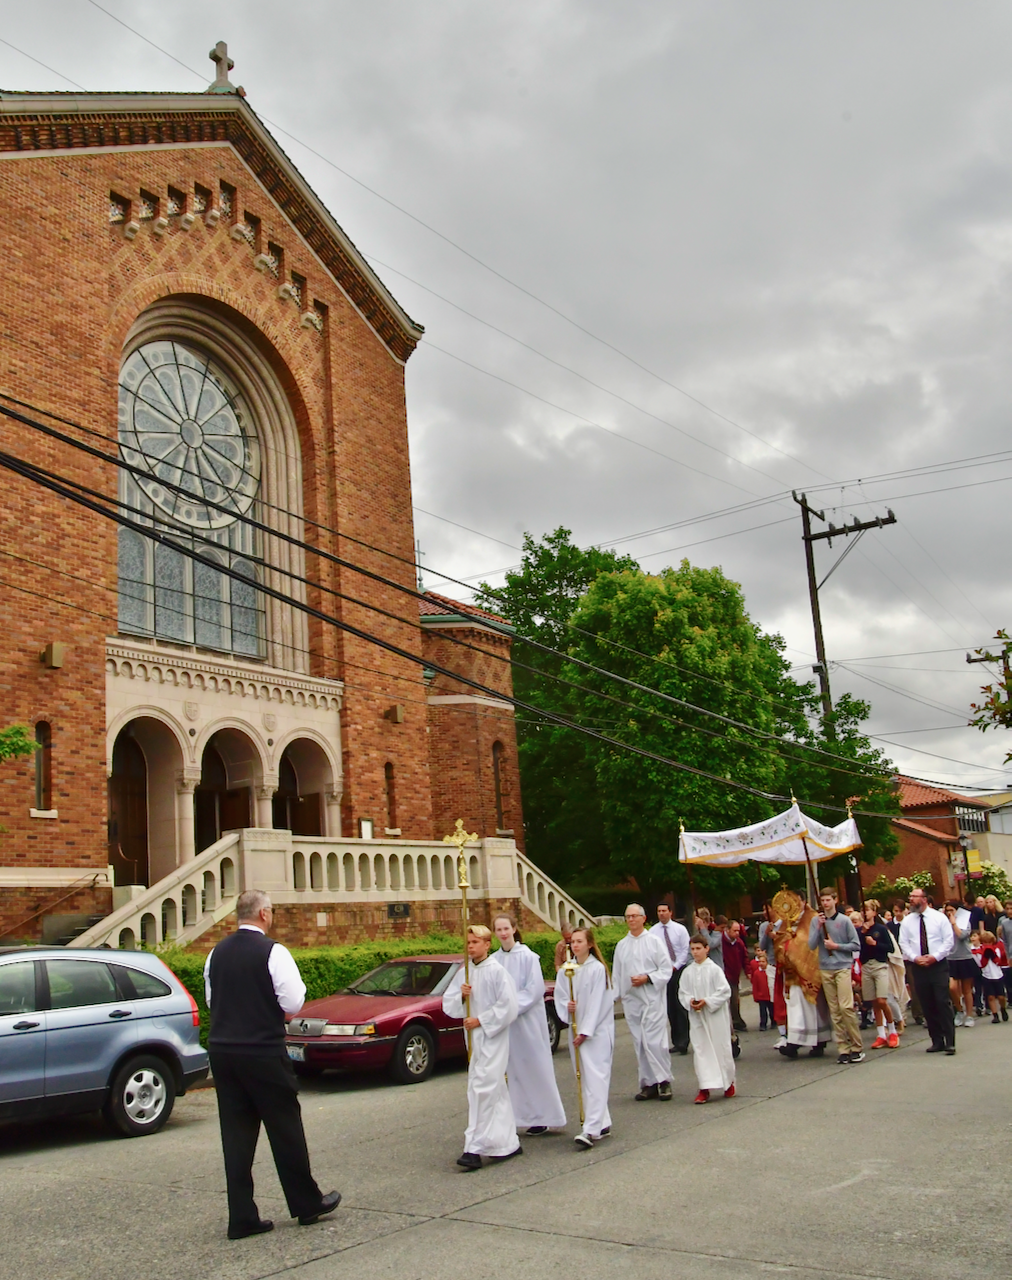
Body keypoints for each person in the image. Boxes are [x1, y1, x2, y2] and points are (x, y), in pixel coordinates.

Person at [203, 889, 340, 1240]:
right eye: (272, 911)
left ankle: (242, 1216)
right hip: (261, 1050)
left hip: (223, 1051)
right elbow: (293, 1001)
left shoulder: (215, 953)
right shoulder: (273, 951)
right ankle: (306, 1203)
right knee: (284, 1127)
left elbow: (211, 1000)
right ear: (264, 914)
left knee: (236, 1135)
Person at [442, 924, 520, 1170]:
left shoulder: (497, 971)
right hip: (474, 1039)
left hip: (492, 1038)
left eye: (475, 942)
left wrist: (482, 1020)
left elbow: (509, 1006)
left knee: (483, 1087)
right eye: (468, 943)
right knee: (492, 1089)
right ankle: (506, 1143)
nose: (470, 946)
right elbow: (449, 1004)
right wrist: (462, 997)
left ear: (487, 944)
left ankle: (473, 1148)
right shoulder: (466, 973)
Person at [492, 914, 566, 1136]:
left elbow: (534, 990)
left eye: (506, 928)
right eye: (499, 929)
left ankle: (545, 1115)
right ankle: (520, 1116)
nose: (503, 933)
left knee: (535, 1066)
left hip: (527, 1020)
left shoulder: (528, 957)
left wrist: (511, 1008)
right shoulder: (494, 960)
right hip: (508, 1022)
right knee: (514, 1069)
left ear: (514, 929)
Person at [555, 925, 615, 1148]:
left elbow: (598, 1003)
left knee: (596, 1078)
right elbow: (561, 996)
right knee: (585, 1078)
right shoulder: (566, 970)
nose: (575, 945)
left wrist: (585, 1031)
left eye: (580, 941)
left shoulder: (597, 969)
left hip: (595, 1032)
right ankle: (602, 1121)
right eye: (573, 942)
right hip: (576, 1029)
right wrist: (567, 1006)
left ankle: (591, 1130)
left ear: (589, 944)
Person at [612, 903, 673, 1100]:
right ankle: (648, 1082)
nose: (631, 920)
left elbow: (665, 969)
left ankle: (664, 1081)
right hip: (632, 1001)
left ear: (643, 918)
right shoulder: (622, 945)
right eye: (627, 916)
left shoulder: (654, 942)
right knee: (639, 1041)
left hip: (652, 998)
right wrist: (612, 997)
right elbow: (617, 975)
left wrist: (647, 978)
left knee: (655, 1041)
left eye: (634, 916)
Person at [773, 889, 831, 1059]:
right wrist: (779, 940)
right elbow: (780, 941)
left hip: (809, 971)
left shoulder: (812, 918)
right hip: (791, 973)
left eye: (797, 901)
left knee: (813, 1008)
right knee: (795, 1007)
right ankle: (794, 1041)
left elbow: (809, 944)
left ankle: (819, 1041)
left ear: (804, 901)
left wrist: (793, 946)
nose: (794, 905)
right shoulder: (786, 921)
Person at [809, 889, 864, 1064]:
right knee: (834, 1010)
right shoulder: (816, 921)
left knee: (845, 1007)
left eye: (828, 900)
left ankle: (856, 1045)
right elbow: (811, 945)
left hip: (842, 966)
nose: (825, 903)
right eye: (823, 900)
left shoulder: (844, 921)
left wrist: (836, 946)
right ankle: (843, 1047)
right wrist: (818, 927)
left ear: (835, 900)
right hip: (826, 967)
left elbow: (855, 945)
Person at [680, 933, 736, 1104]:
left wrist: (708, 1001)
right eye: (692, 949)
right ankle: (704, 1087)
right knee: (701, 1050)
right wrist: (691, 1001)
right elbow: (683, 992)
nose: (695, 952)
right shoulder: (688, 972)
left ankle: (728, 1083)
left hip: (715, 1016)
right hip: (697, 1018)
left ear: (706, 949)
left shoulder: (714, 970)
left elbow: (725, 991)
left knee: (720, 1047)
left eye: (698, 949)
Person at [899, 887, 955, 1054]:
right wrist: (915, 957)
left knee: (942, 1001)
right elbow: (904, 943)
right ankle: (936, 1040)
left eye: (914, 897)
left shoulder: (939, 918)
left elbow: (948, 941)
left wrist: (935, 956)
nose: (911, 900)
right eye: (910, 897)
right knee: (927, 1003)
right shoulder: (907, 921)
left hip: (937, 965)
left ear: (924, 899)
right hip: (918, 965)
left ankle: (950, 1040)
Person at [650, 903, 690, 1055]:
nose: (661, 914)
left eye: (664, 911)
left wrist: (676, 966)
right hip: (663, 972)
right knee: (670, 1007)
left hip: (678, 970)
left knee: (680, 1005)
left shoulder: (680, 930)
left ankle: (684, 1040)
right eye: (659, 911)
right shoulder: (653, 932)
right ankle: (676, 1040)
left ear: (670, 912)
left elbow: (684, 950)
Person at [859, 900, 898, 1049]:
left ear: (874, 912)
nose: (865, 913)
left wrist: (875, 944)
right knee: (874, 1001)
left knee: (882, 1000)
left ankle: (892, 1030)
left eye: (868, 910)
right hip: (866, 966)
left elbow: (890, 948)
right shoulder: (860, 930)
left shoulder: (881, 929)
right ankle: (881, 1033)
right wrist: (862, 934)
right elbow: (858, 948)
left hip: (879, 965)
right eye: (863, 910)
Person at [944, 901, 977, 1028]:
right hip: (951, 958)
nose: (949, 913)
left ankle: (969, 1015)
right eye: (947, 910)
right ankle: (959, 1009)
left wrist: (954, 923)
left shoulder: (964, 922)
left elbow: (961, 936)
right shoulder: (944, 923)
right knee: (952, 987)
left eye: (952, 910)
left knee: (966, 989)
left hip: (964, 958)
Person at [722, 920, 749, 1032]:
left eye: (738, 930)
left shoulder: (739, 943)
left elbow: (745, 958)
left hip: (734, 975)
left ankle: (736, 1020)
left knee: (734, 999)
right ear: (727, 930)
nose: (737, 933)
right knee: (728, 999)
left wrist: (748, 971)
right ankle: (732, 1022)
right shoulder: (721, 942)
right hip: (724, 974)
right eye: (735, 931)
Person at [976, 931, 1009, 1023]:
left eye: (989, 942)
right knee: (990, 997)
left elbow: (998, 961)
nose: (987, 944)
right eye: (985, 942)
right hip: (987, 976)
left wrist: (992, 954)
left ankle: (1003, 1009)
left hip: (998, 975)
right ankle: (995, 1015)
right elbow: (981, 964)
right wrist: (985, 955)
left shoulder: (996, 949)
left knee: (1001, 997)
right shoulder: (980, 951)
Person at [745, 949, 775, 1030]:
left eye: (763, 962)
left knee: (772, 1010)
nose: (761, 963)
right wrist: (756, 996)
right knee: (763, 1012)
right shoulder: (757, 973)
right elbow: (755, 985)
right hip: (761, 996)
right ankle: (763, 1024)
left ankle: (774, 1022)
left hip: (770, 995)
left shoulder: (770, 972)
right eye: (760, 962)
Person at [997, 902, 1012, 1004]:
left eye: (1011, 908)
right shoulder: (1004, 923)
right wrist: (1008, 956)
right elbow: (1005, 941)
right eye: (1007, 908)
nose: (1009, 911)